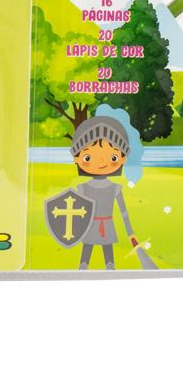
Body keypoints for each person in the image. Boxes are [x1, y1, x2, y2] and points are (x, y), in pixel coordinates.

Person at [70, 115, 140, 270]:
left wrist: (130, 234)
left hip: (107, 226)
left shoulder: (115, 188)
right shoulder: (82, 188)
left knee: (109, 261)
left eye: (113, 157)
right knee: (84, 260)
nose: (101, 162)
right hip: (88, 227)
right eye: (88, 157)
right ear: (77, 159)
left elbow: (124, 212)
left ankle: (111, 275)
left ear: (123, 159)